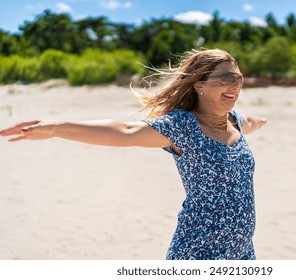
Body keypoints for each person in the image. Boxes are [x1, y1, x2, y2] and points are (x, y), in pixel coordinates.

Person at [0, 49, 267, 260]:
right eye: (225, 79)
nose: (234, 86)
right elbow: (125, 131)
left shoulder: (235, 121)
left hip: (243, 254)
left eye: (238, 78)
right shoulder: (183, 127)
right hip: (199, 254)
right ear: (199, 84)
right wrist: (57, 128)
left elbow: (252, 122)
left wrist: (263, 120)